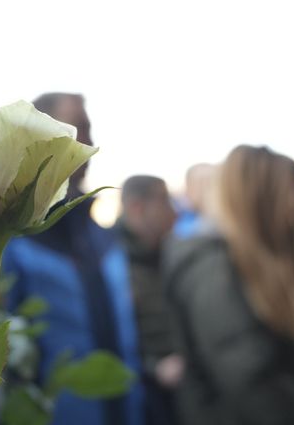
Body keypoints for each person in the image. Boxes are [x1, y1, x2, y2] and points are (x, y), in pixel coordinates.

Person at [165, 145, 294, 425]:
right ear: (259, 198)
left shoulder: (267, 265)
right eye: (293, 190)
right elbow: (253, 381)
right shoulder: (212, 269)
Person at [0, 93, 143, 425]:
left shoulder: (102, 237)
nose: (89, 142)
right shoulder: (7, 239)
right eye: (77, 129)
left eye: (88, 129)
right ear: (42, 139)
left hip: (127, 409)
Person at [116, 175, 181, 425]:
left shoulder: (169, 253)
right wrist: (155, 369)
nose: (173, 212)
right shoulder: (111, 264)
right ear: (137, 208)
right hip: (142, 400)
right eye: (164, 201)